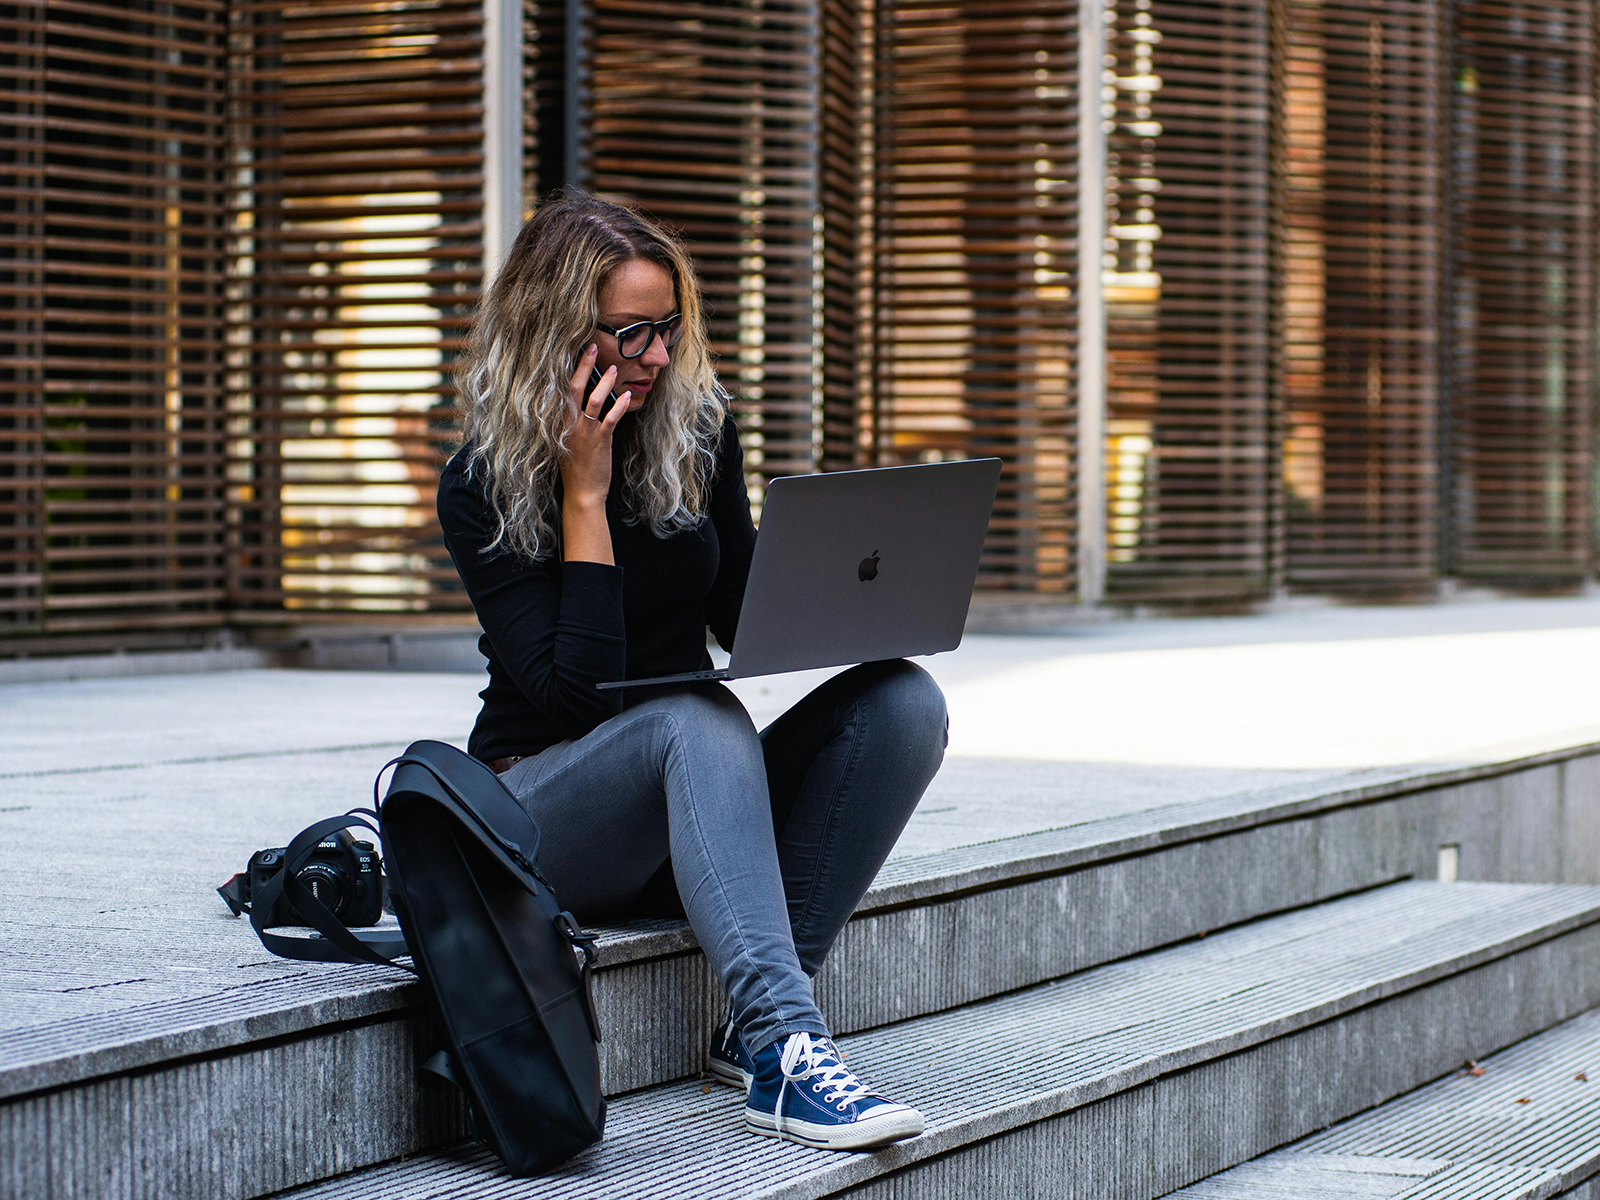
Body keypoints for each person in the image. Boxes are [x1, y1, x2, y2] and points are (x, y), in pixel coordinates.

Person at [437, 192, 948, 1152]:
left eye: (668, 328)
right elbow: (572, 698)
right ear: (556, 334)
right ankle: (785, 1050)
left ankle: (748, 1025)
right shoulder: (481, 484)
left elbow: (737, 616)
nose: (661, 357)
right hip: (544, 818)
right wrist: (583, 492)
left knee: (902, 704)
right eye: (633, 335)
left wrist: (858, 593)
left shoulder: (696, 434)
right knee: (697, 717)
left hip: (684, 809)